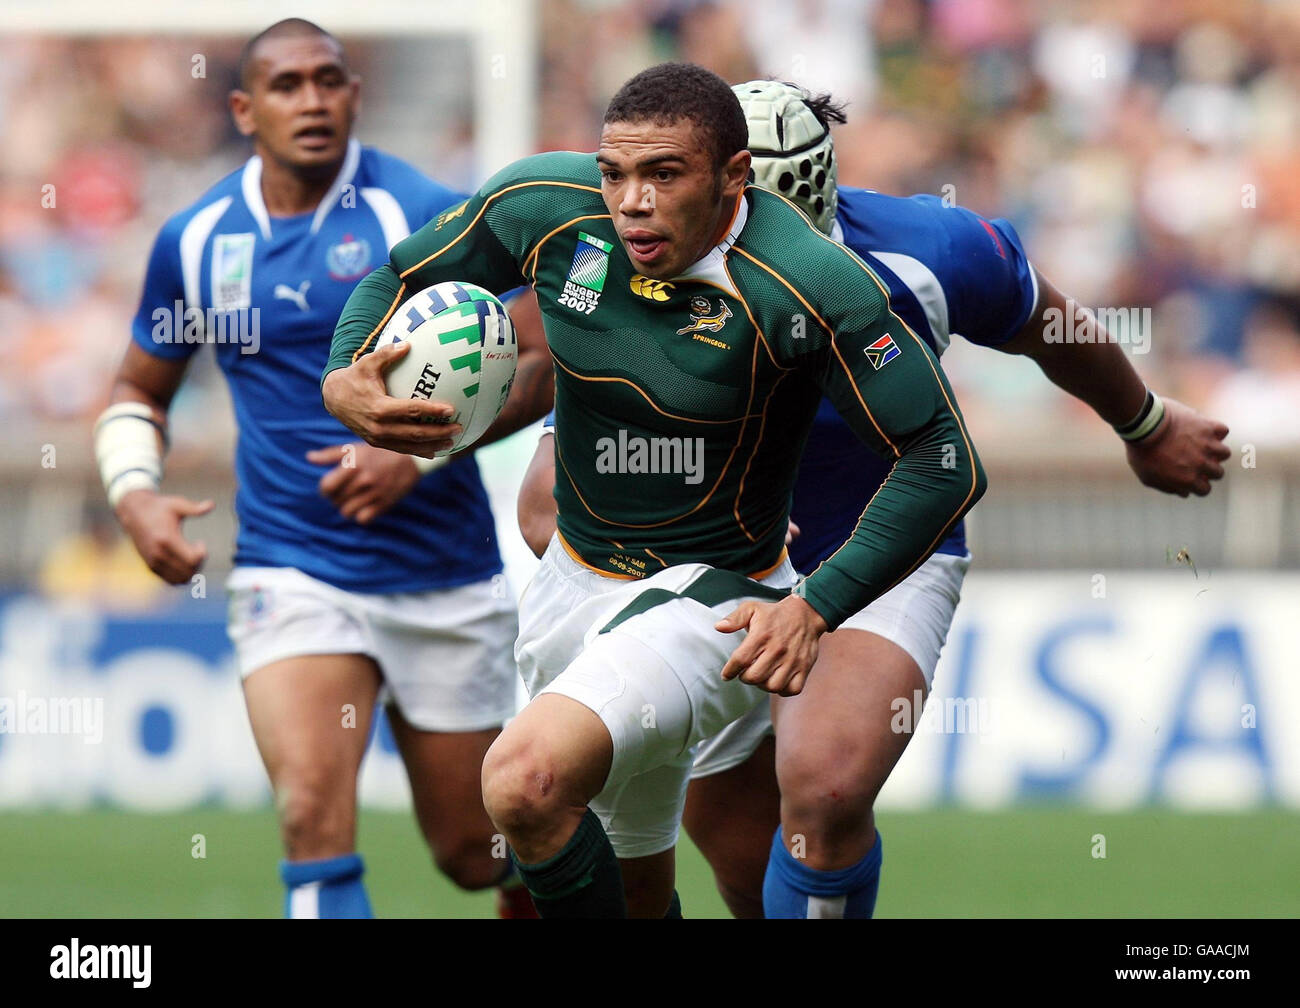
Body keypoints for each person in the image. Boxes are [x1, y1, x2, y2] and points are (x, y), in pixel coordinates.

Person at [519, 79, 1233, 918]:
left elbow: (1047, 323)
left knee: (819, 796)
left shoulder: (929, 249)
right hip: (710, 576)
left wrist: (1143, 422)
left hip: (879, 548)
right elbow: (540, 485)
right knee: (748, 868)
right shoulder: (631, 264)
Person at [322, 62, 986, 918]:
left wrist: (815, 605)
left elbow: (943, 458)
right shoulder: (543, 207)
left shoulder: (808, 282)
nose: (630, 200)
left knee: (523, 783)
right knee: (638, 892)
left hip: (711, 602)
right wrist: (342, 375)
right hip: (573, 581)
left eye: (663, 174)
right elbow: (400, 274)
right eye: (615, 172)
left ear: (732, 178)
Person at [95, 18, 551, 918]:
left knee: (474, 849)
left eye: (329, 80)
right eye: (288, 84)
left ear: (354, 93)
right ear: (244, 107)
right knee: (309, 813)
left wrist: (417, 457)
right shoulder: (196, 241)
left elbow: (539, 358)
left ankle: (529, 891)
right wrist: (134, 493)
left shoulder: (418, 211)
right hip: (290, 568)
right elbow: (137, 390)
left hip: (441, 574)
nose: (312, 99)